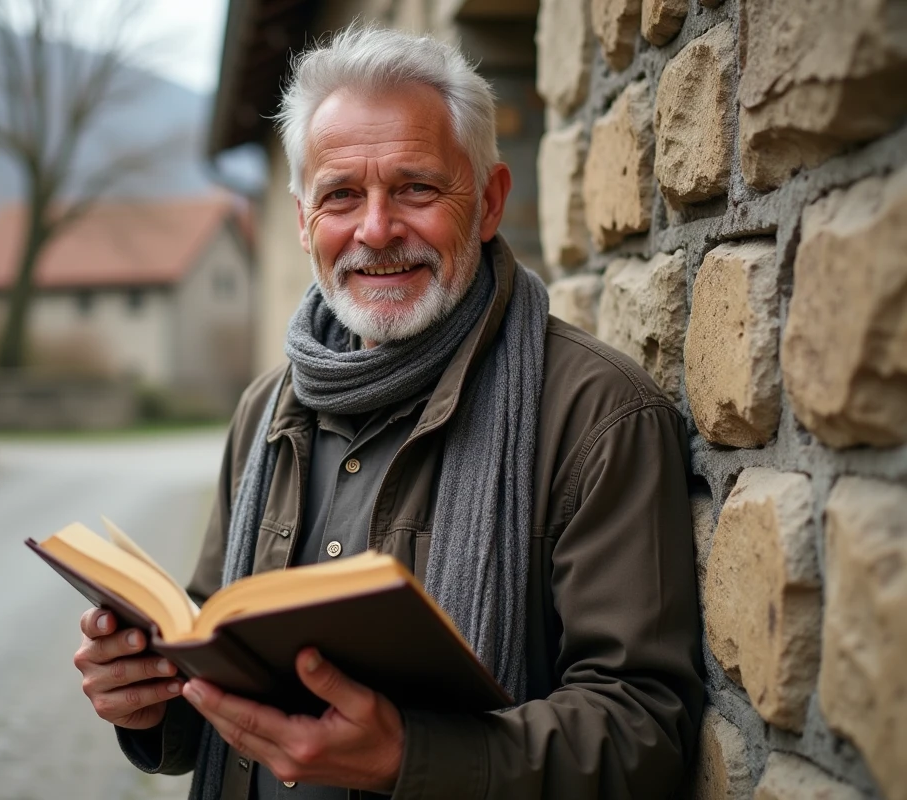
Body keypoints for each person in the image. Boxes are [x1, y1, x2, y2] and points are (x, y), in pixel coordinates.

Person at [73, 25, 703, 800]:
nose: (376, 230)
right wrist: (148, 698)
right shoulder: (265, 409)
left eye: (416, 189)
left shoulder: (597, 416)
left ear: (489, 203)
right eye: (341, 195)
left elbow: (645, 731)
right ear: (303, 221)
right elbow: (214, 656)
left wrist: (409, 757)